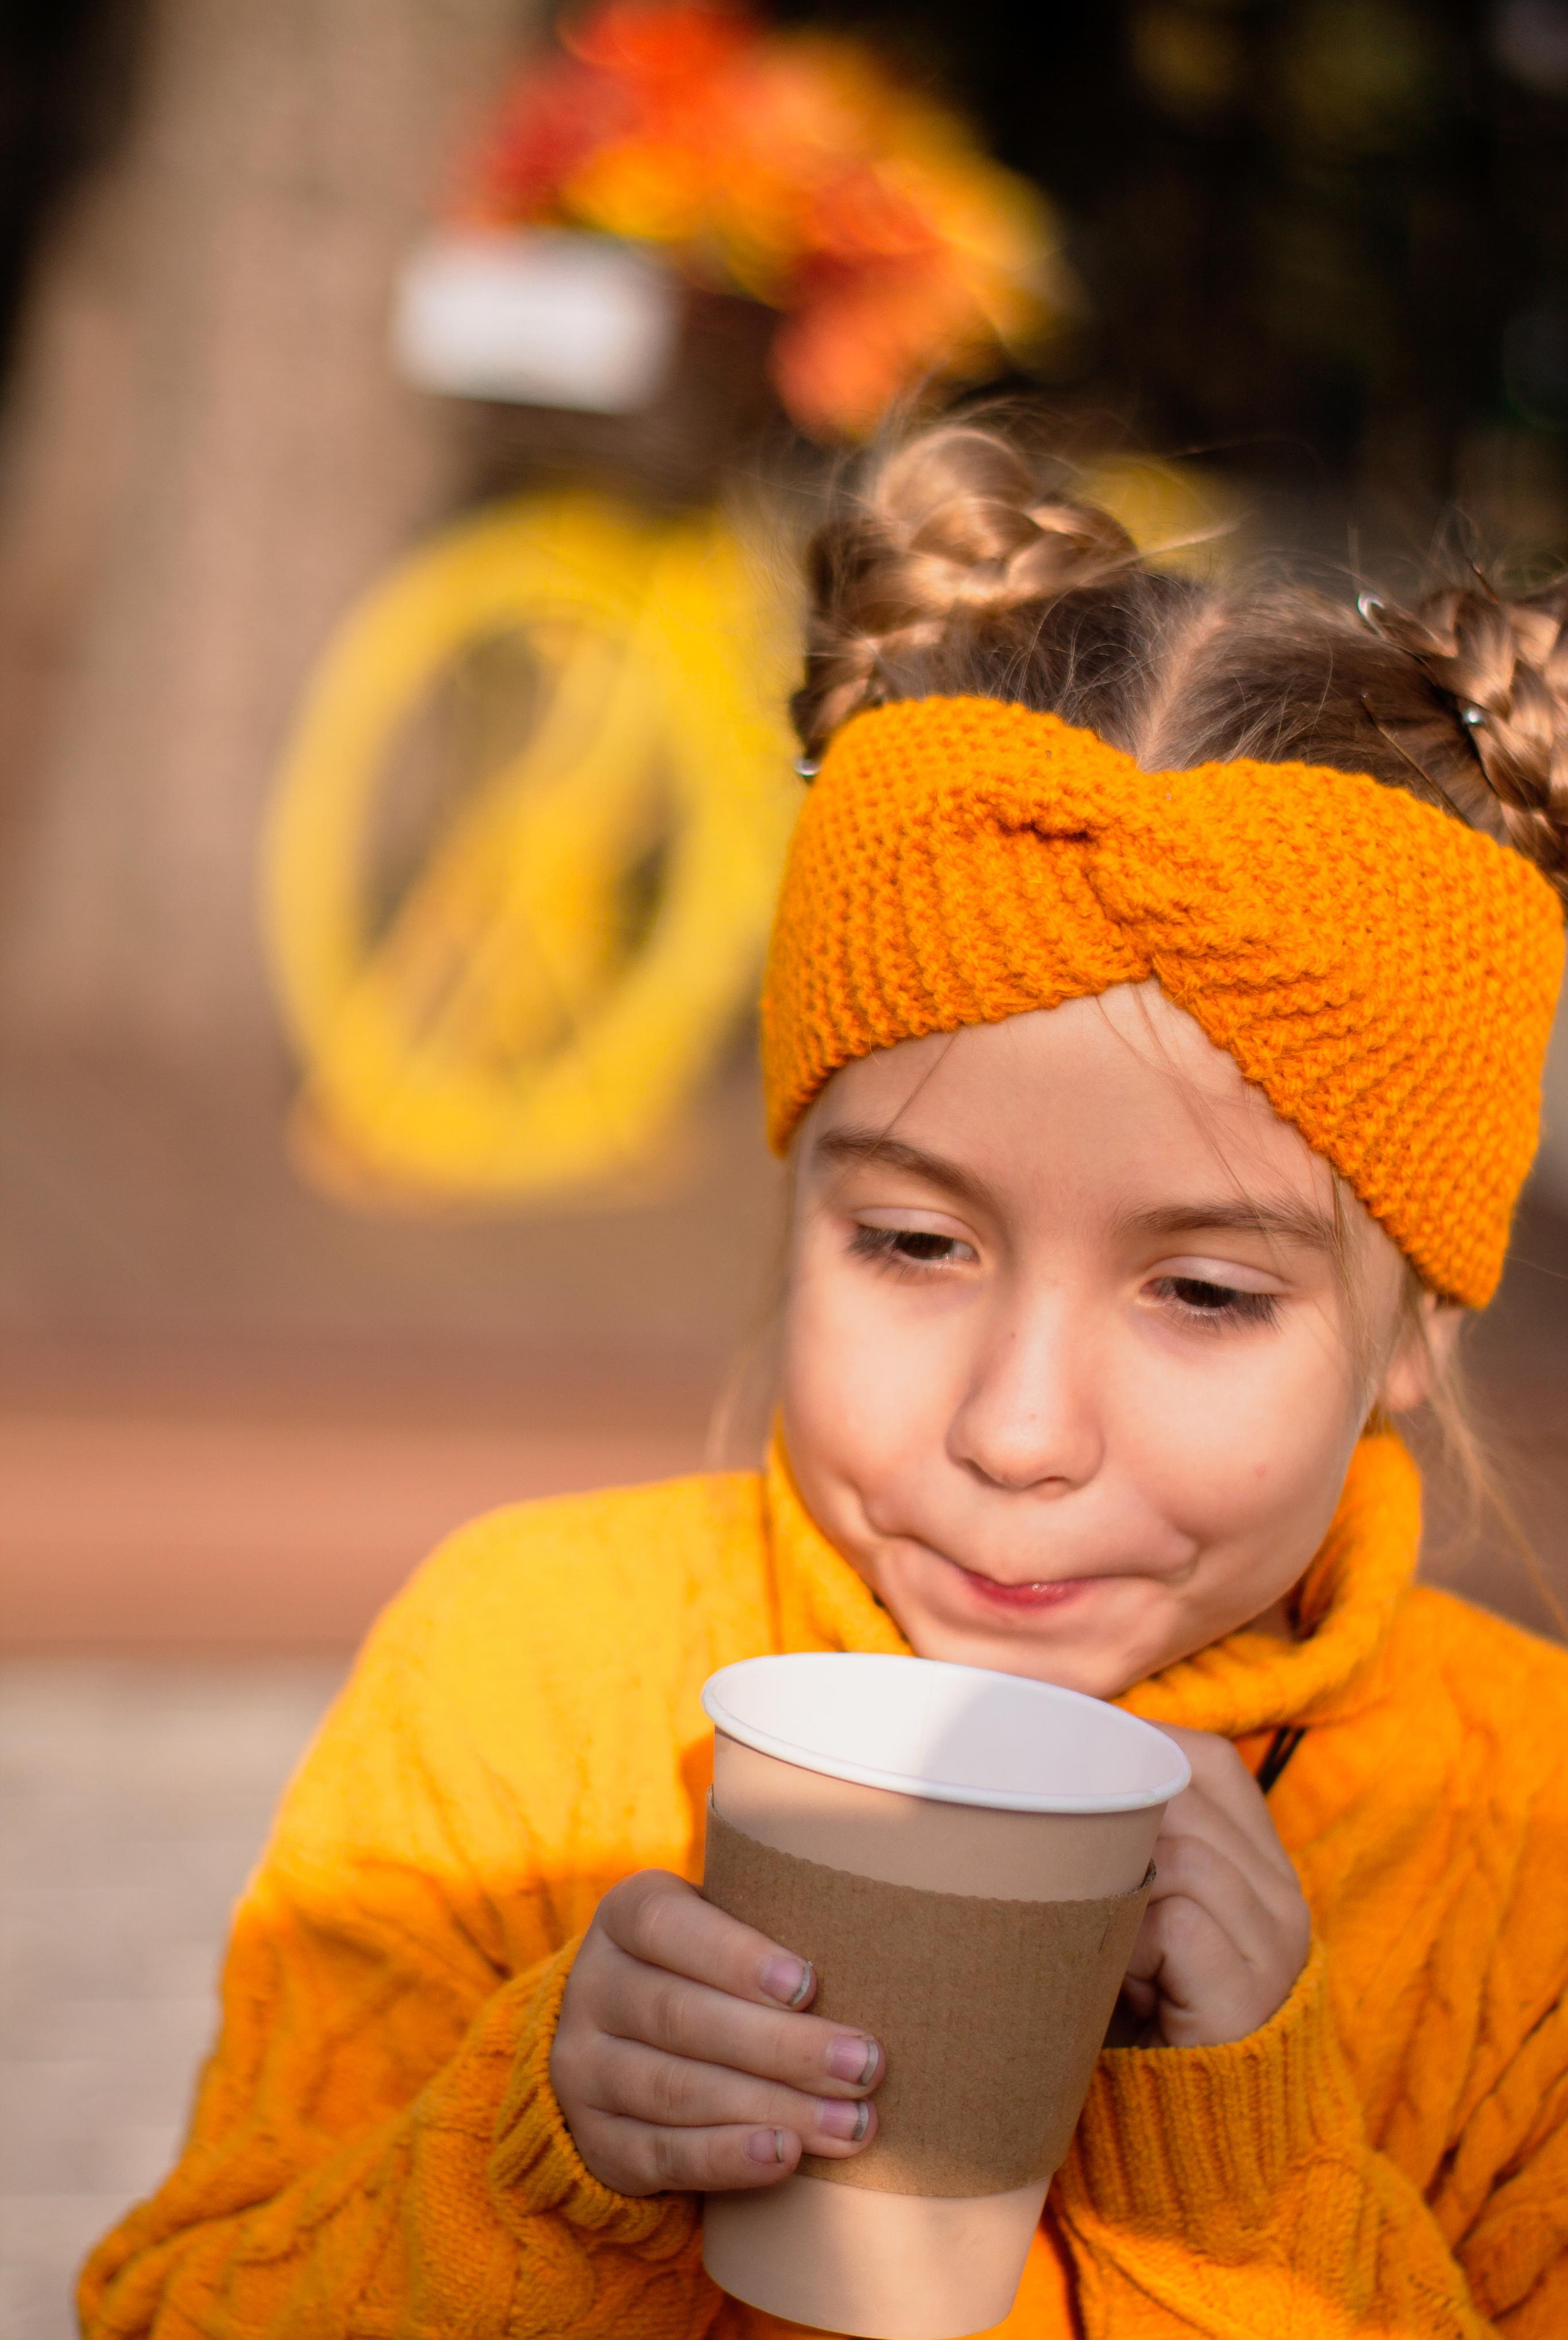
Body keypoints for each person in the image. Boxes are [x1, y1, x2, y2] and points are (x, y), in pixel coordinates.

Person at [80, 423, 1568, 2338]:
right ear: (796, 1202)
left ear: (1415, 1334)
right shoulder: (527, 1680)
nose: (1016, 1432)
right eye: (916, 1246)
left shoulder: (1524, 1840)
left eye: (1203, 1291)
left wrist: (1248, 2175)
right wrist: (537, 2155)